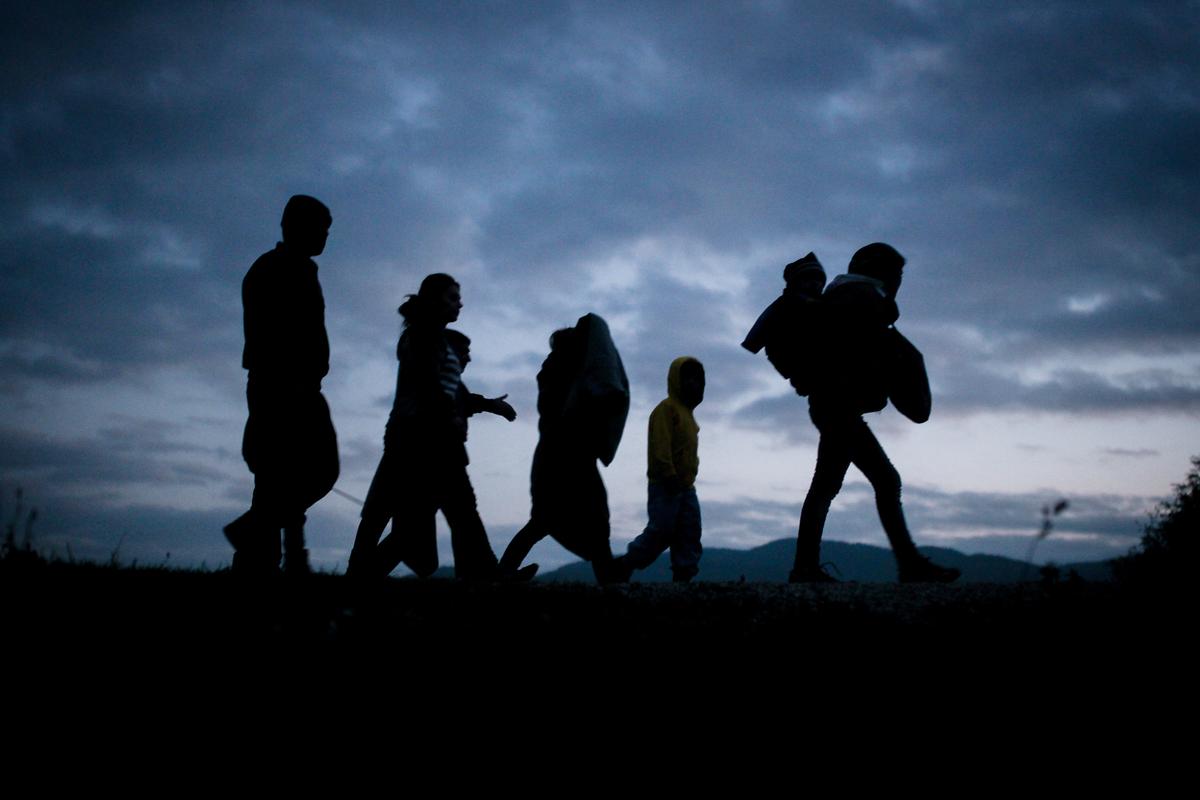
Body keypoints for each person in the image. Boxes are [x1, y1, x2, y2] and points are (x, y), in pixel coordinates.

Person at [790, 243, 959, 583]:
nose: (899, 282)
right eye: (896, 274)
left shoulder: (844, 295)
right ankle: (908, 564)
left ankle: (806, 567)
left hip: (834, 407)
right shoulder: (861, 297)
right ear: (879, 272)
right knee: (881, 480)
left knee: (829, 486)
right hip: (838, 408)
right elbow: (870, 351)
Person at [347, 274, 524, 581]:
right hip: (423, 438)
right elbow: (430, 386)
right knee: (434, 512)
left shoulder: (433, 337)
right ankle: (486, 574)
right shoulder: (424, 336)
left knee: (448, 511)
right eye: (453, 297)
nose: (460, 303)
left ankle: (486, 573)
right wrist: (451, 415)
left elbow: (452, 391)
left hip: (430, 437)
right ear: (434, 299)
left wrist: (488, 405)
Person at [224, 195, 340, 575]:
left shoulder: (302, 269)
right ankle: (264, 550)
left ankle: (264, 558)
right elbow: (268, 334)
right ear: (295, 226)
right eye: (320, 229)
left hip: (300, 385)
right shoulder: (272, 269)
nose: (325, 237)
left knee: (285, 478)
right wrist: (289, 381)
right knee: (293, 474)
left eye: (327, 231)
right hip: (282, 386)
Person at [498, 314, 630, 584]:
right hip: (565, 455)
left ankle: (503, 573)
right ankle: (609, 580)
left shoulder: (557, 372)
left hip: (563, 454)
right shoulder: (565, 373)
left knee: (556, 520)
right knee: (568, 519)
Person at [615, 356, 705, 583]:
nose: (695, 383)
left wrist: (687, 476)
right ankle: (625, 564)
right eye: (689, 377)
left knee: (689, 532)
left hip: (687, 488)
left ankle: (683, 575)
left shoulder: (689, 416)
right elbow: (660, 446)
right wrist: (669, 474)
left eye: (699, 378)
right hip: (665, 485)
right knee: (661, 531)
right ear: (677, 380)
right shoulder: (666, 410)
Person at [741, 252, 826, 396]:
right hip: (807, 372)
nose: (815, 283)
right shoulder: (784, 305)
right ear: (796, 281)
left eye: (818, 279)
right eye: (808, 278)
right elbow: (759, 339)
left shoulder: (829, 303)